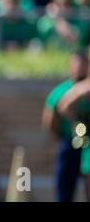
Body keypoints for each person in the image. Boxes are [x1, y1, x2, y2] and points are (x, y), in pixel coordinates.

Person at [42, 52, 90, 201]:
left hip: (87, 145)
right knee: (65, 189)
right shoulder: (63, 90)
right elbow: (55, 114)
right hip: (71, 142)